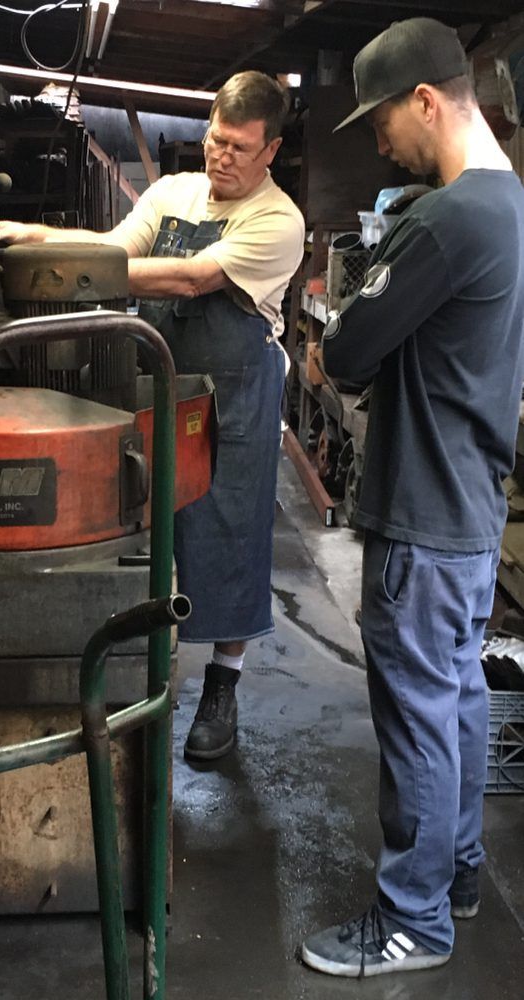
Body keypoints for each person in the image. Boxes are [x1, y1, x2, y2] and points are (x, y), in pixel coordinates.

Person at [300, 17, 524, 978]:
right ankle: (459, 874)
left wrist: (334, 342)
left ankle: (414, 919)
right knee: (458, 695)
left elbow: (347, 348)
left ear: (427, 101)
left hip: (424, 510)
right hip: (470, 504)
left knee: (419, 712)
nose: (377, 141)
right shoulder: (514, 208)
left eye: (383, 120)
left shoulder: (446, 219)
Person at [0, 71, 304, 761]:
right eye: (216, 141)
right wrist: (39, 240)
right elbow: (116, 249)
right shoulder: (173, 193)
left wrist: (74, 274)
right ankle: (140, 674)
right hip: (163, 384)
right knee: (144, 524)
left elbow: (192, 278)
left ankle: (222, 686)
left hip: (235, 398)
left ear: (271, 150)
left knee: (229, 534)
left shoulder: (278, 220)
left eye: (240, 149)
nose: (222, 157)